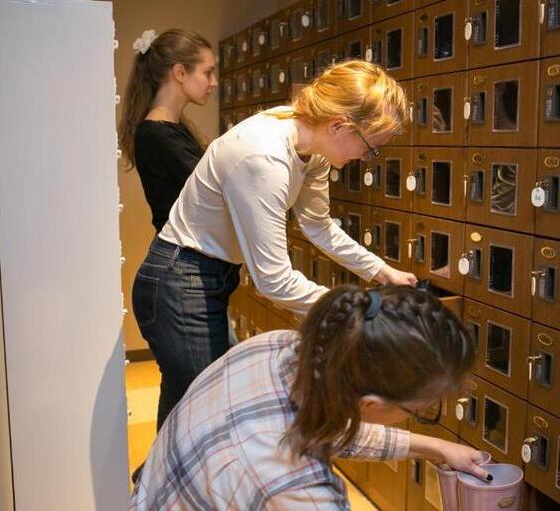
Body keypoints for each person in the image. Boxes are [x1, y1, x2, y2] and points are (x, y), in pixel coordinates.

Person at [132, 60, 418, 430]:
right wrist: (362, 309)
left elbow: (318, 224)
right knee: (204, 414)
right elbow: (273, 281)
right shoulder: (263, 157)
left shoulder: (309, 141)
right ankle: (158, 485)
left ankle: (154, 484)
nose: (365, 159)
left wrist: (381, 271)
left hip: (206, 277)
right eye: (370, 148)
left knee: (186, 407)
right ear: (339, 125)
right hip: (179, 280)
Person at [130, 285, 489, 510]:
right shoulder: (295, 486)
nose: (425, 411)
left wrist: (438, 448)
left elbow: (328, 428)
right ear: (369, 405)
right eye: (425, 409)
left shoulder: (278, 348)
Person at [118, 28, 216, 233]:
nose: (214, 82)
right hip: (181, 259)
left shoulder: (173, 129)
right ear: (180, 73)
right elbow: (213, 188)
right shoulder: (156, 135)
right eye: (208, 73)